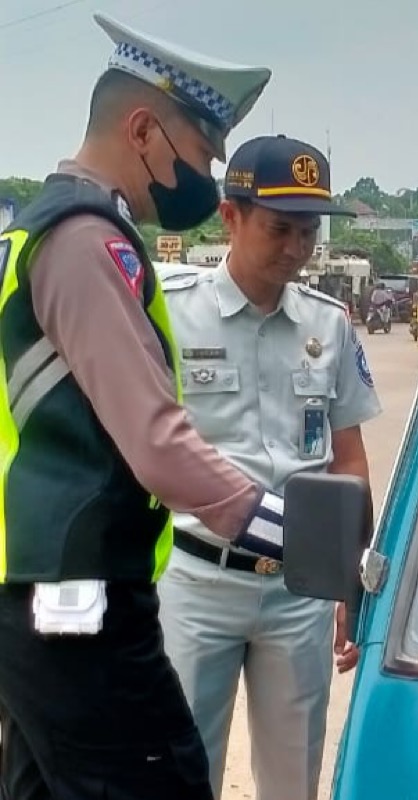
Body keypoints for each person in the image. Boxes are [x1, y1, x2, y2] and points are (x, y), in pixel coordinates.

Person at [0, 14, 295, 800]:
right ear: (143, 129)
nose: (205, 175)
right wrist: (288, 529)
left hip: (38, 582)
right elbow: (158, 446)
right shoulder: (88, 242)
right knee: (153, 779)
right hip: (77, 592)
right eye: (201, 153)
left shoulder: (33, 232)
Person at [156, 135, 381, 800]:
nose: (297, 248)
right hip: (196, 580)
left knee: (293, 777)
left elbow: (348, 457)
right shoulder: (169, 311)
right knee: (181, 769)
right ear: (231, 216)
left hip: (298, 590)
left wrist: (348, 579)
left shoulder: (328, 324)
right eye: (280, 228)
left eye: (309, 232)